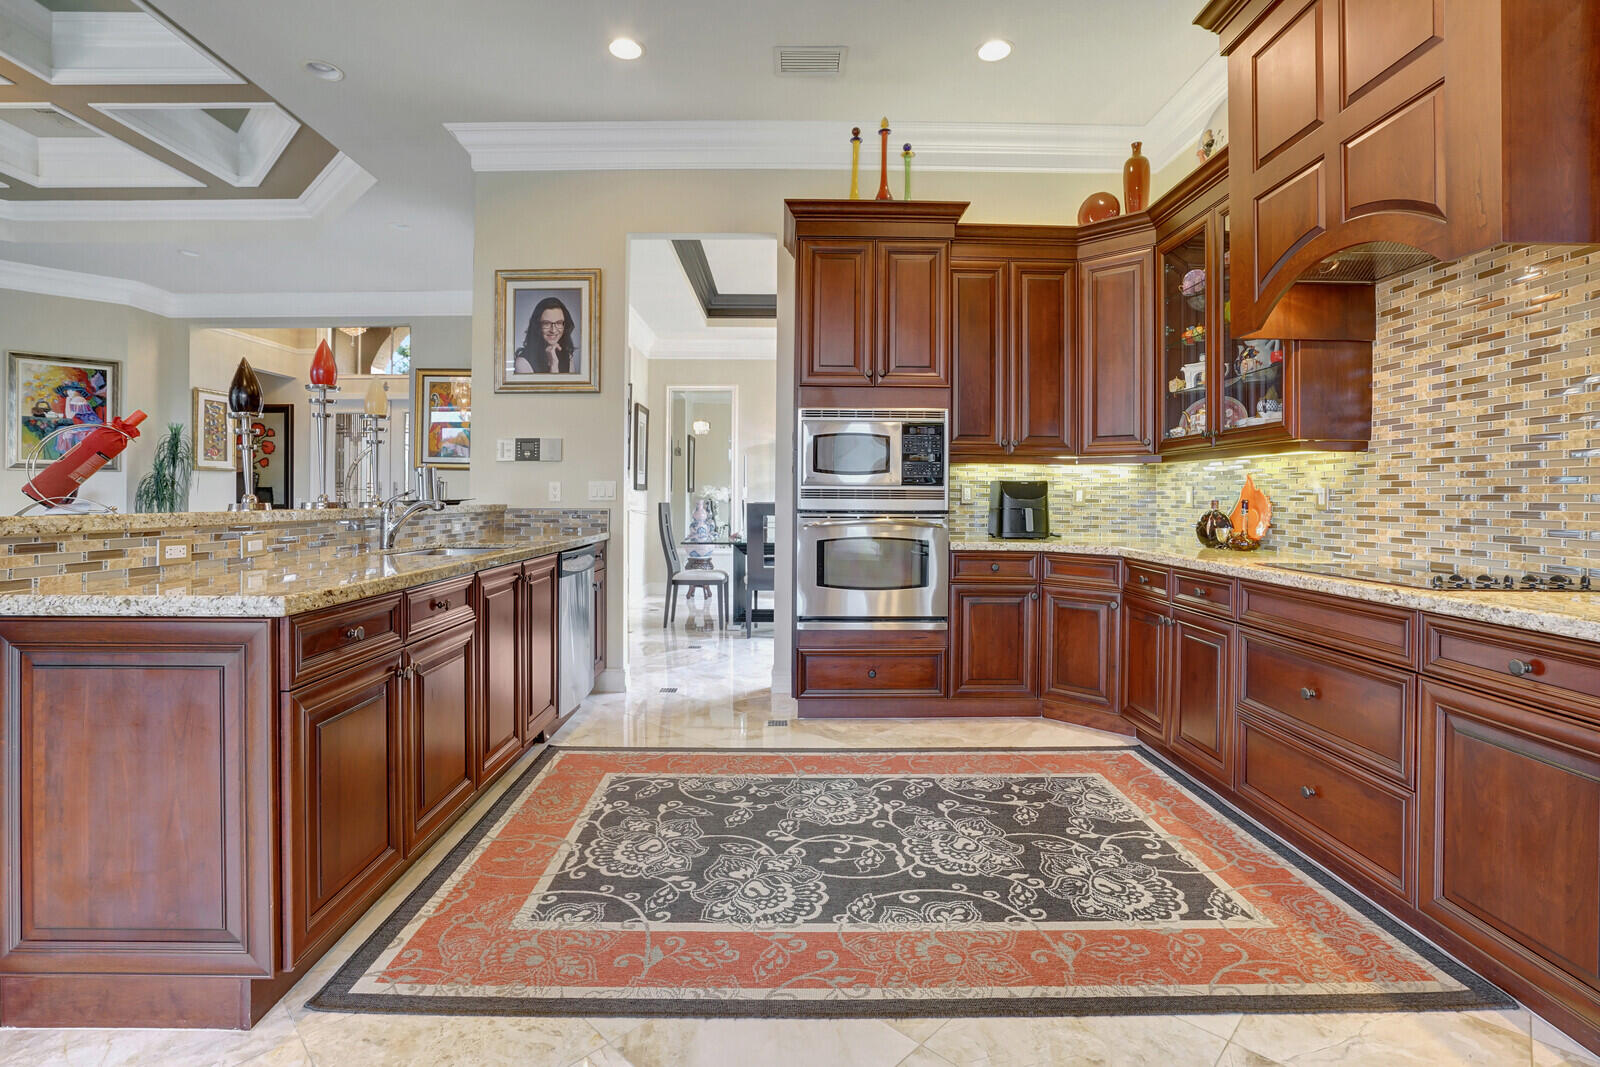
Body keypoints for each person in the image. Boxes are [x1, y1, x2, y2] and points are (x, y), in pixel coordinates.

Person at [514, 296, 579, 374]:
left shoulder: (567, 357)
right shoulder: (522, 363)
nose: (553, 330)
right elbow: (551, 387)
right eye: (546, 323)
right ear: (537, 326)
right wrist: (553, 364)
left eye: (559, 323)